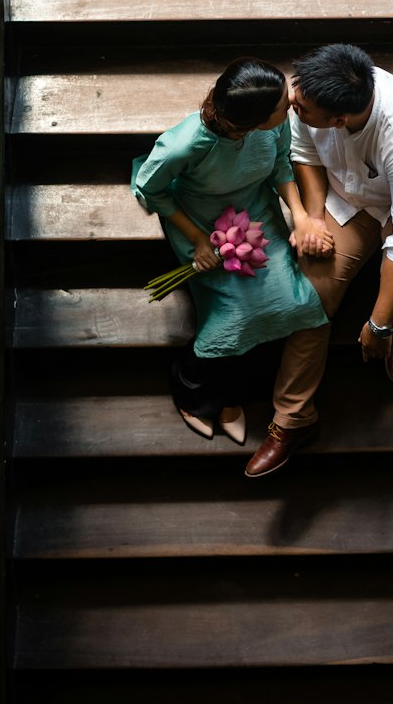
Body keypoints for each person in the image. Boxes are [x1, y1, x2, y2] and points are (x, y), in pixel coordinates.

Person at [245, 42, 393, 477]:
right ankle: (293, 418)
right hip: (345, 199)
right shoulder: (313, 94)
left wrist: (378, 325)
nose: (290, 104)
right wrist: (313, 219)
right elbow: (304, 154)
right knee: (310, 295)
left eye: (299, 106)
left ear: (339, 120)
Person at [131, 57, 330, 443]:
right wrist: (199, 239)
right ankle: (194, 391)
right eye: (281, 106)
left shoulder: (274, 123)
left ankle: (233, 395)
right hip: (200, 218)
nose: (290, 103)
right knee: (233, 314)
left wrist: (302, 216)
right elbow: (150, 187)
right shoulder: (185, 145)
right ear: (254, 120)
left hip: (253, 209)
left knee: (293, 302)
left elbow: (279, 167)